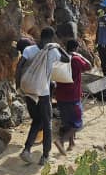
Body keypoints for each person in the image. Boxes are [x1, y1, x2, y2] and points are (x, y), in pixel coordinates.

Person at [18, 28, 64, 166]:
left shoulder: (29, 50)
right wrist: (58, 47)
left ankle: (26, 150)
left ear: (40, 36)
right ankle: (45, 156)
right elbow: (67, 58)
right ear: (51, 39)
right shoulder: (53, 51)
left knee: (37, 120)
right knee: (47, 122)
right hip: (43, 92)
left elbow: (19, 67)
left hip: (28, 90)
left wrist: (18, 85)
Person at [54, 39, 92, 154]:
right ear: (76, 48)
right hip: (72, 96)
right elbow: (89, 66)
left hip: (60, 95)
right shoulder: (76, 59)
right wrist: (80, 55)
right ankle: (61, 141)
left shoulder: (60, 58)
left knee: (67, 122)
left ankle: (71, 143)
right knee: (77, 123)